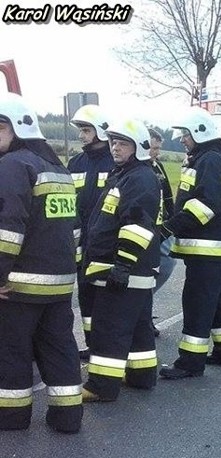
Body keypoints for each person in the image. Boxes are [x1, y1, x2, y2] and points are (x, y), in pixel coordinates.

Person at [0, 93, 83, 433]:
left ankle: (12, 417)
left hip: (19, 284)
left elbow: (7, 229)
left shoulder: (12, 166)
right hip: (60, 283)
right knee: (60, 348)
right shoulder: (57, 169)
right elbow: (73, 230)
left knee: (12, 351)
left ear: (12, 128)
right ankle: (67, 417)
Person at [81, 118, 160, 402]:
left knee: (109, 328)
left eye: (122, 143)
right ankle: (141, 375)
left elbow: (137, 225)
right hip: (130, 269)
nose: (115, 147)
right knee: (138, 327)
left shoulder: (139, 178)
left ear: (137, 147)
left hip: (124, 268)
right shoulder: (129, 175)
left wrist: (122, 265)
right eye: (113, 141)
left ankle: (101, 385)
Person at [159, 107, 221, 380]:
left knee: (197, 303)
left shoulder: (209, 161)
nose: (182, 139)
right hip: (210, 249)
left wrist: (170, 227)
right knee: (218, 300)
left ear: (199, 133)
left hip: (206, 249)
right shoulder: (206, 158)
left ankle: (190, 363)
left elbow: (206, 205)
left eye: (185, 134)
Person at [68, 104, 114, 357]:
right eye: (81, 130)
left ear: (101, 131)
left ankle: (108, 347)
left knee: (105, 298)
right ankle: (93, 344)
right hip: (80, 245)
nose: (81, 135)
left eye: (86, 130)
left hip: (106, 246)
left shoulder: (115, 162)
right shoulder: (76, 163)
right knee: (85, 297)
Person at [149, 129, 176, 337]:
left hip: (162, 228)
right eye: (153, 148)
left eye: (158, 148)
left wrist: (172, 223)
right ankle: (143, 315)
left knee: (166, 265)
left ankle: (145, 309)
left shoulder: (158, 166)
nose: (156, 153)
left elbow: (167, 197)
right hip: (144, 228)